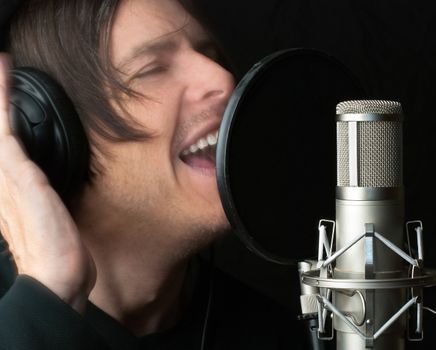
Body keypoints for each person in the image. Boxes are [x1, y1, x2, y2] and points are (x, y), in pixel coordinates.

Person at [0, 0, 306, 349]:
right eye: (152, 68)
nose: (223, 78)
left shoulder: (278, 337)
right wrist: (47, 300)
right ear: (43, 135)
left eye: (209, 54)